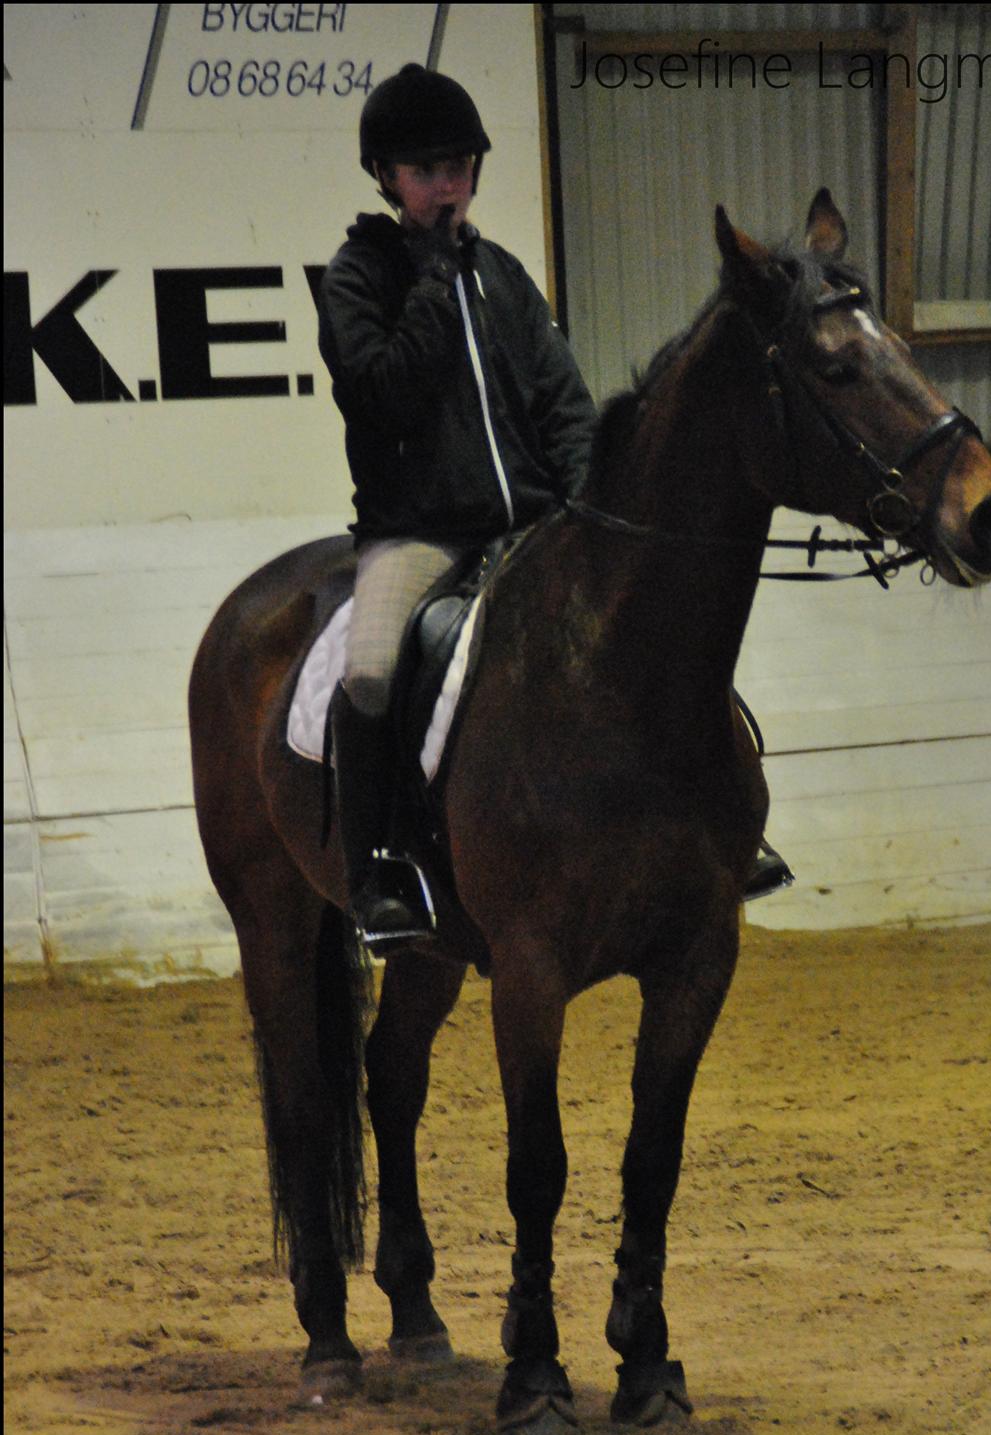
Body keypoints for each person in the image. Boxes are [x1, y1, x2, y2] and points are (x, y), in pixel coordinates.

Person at [318, 63, 792, 952]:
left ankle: (724, 825)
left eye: (458, 166)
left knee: (653, 623)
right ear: (386, 178)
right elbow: (386, 392)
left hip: (532, 522)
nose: (446, 185)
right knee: (373, 669)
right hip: (417, 535)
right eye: (425, 171)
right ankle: (380, 866)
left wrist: (584, 507)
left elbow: (565, 404)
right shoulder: (359, 278)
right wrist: (429, 280)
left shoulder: (500, 276)